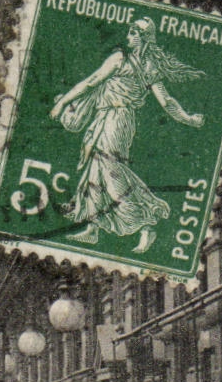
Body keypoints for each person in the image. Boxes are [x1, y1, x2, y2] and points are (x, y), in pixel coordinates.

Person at [49, 16, 206, 253]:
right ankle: (92, 228)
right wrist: (189, 119)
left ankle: (146, 222)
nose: (128, 37)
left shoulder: (129, 62)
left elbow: (92, 82)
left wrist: (62, 103)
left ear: (144, 38)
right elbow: (165, 101)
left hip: (118, 120)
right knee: (97, 168)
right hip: (108, 118)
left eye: (133, 33)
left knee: (110, 169)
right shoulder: (138, 63)